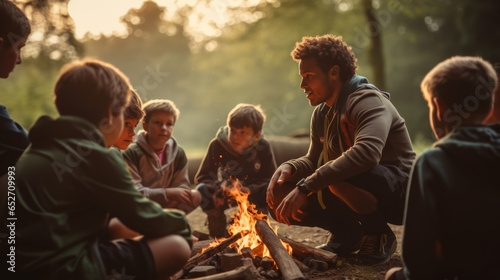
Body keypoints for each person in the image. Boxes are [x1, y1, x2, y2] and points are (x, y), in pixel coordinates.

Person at [15, 59, 192, 280]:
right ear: (110, 114)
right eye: (123, 118)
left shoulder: (41, 145)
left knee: (119, 228)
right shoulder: (96, 156)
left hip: (23, 267)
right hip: (63, 269)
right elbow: (142, 216)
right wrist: (182, 224)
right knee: (176, 245)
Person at [266, 34, 416, 265]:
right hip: (357, 183)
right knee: (279, 193)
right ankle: (347, 234)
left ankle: (378, 234)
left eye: (308, 77)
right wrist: (290, 167)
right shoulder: (322, 113)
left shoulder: (368, 100)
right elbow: (313, 160)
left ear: (334, 73)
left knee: (335, 176)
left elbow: (366, 154)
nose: (302, 85)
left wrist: (306, 187)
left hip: (403, 191)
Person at [385, 56, 500, 280]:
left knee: (393, 276)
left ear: (439, 108)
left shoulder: (432, 162)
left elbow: (417, 262)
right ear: (489, 109)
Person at [195, 103, 277, 238]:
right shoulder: (217, 144)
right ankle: (217, 223)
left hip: (252, 195)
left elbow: (270, 179)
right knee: (202, 189)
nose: (235, 136)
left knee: (270, 190)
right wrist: (218, 188)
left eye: (243, 132)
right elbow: (203, 177)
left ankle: (256, 224)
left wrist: (249, 190)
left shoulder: (263, 147)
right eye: (232, 130)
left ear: (256, 135)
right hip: (225, 195)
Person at [124, 99, 201, 214]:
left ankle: (169, 218)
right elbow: (134, 192)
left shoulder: (178, 153)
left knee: (195, 195)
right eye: (158, 123)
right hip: (142, 207)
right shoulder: (132, 153)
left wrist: (175, 196)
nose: (164, 128)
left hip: (168, 205)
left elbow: (181, 185)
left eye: (169, 124)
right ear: (145, 126)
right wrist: (166, 193)